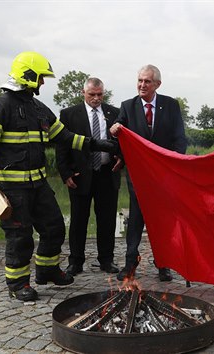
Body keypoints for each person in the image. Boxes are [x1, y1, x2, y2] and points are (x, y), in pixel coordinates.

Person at [0, 51, 116, 302]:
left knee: (54, 228)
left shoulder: (39, 109)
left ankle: (47, 270)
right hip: (12, 188)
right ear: (28, 75)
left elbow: (66, 137)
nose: (42, 83)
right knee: (20, 237)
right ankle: (18, 283)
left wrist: (98, 145)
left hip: (38, 185)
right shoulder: (2, 107)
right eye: (40, 78)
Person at [110, 64, 187, 282]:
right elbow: (118, 132)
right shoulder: (127, 106)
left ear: (157, 84)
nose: (142, 85)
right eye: (140, 81)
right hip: (138, 177)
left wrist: (173, 164)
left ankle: (164, 265)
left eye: (147, 81)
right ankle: (130, 265)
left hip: (164, 177)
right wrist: (114, 130)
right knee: (135, 220)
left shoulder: (171, 105)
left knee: (163, 222)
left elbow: (179, 139)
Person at [56, 77, 122, 276]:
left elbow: (123, 142)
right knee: (78, 221)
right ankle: (75, 261)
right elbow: (61, 145)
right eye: (92, 94)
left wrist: (122, 158)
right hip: (79, 176)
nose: (96, 98)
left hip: (107, 174)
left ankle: (106, 260)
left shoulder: (114, 113)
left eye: (100, 94)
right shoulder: (68, 114)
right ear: (83, 93)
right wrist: (65, 173)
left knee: (108, 220)